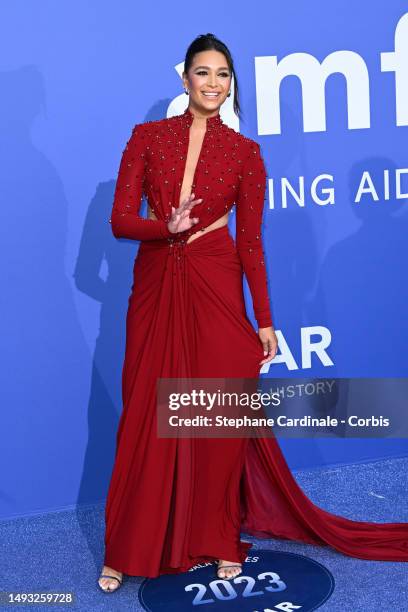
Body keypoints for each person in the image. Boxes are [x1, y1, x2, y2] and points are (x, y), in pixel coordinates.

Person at [98, 34, 408, 593]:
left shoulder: (245, 153)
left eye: (223, 75)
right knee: (147, 414)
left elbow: (252, 247)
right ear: (184, 79)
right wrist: (162, 228)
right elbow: (121, 221)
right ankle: (128, 546)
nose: (213, 84)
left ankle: (218, 539)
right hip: (156, 289)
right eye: (202, 73)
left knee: (217, 422)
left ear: (231, 84)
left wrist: (264, 321)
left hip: (216, 285)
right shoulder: (146, 138)